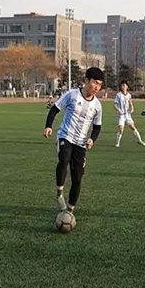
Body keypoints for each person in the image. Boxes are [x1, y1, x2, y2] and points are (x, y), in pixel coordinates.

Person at [43, 67, 104, 222]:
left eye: (100, 84)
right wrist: (48, 126)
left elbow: (97, 127)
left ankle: (69, 210)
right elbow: (54, 109)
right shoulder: (72, 95)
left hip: (81, 143)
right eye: (95, 83)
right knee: (64, 158)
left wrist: (92, 139)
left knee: (77, 178)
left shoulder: (97, 106)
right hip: (65, 136)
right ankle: (59, 192)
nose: (97, 87)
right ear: (86, 81)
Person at [114, 80, 145, 148]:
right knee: (121, 130)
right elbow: (115, 105)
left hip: (127, 115)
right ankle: (117, 143)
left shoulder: (129, 95)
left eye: (124, 85)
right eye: (122, 85)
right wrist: (119, 110)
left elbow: (131, 104)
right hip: (121, 115)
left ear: (127, 87)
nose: (123, 87)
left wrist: (132, 108)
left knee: (132, 127)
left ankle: (140, 140)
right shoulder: (118, 95)